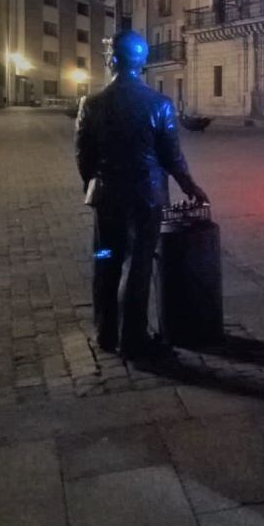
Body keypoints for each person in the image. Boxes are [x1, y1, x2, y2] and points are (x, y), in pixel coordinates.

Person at [75, 31, 208, 359]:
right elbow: (172, 157)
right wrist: (191, 187)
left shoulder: (90, 105)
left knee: (105, 258)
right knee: (138, 262)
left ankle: (106, 332)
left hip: (106, 202)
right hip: (145, 201)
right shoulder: (159, 105)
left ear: (112, 60)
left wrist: (93, 184)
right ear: (143, 63)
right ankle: (132, 336)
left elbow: (83, 156)